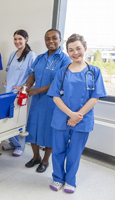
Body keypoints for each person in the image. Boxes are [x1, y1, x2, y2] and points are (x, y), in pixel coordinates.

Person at [47, 34, 107, 193]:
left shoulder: (94, 72)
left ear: (85, 48)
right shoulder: (62, 72)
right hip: (61, 117)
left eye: (78, 48)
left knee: (74, 152)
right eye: (71, 50)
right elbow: (55, 97)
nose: (75, 53)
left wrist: (77, 116)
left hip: (82, 119)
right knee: (58, 150)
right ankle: (57, 178)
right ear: (67, 52)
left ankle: (70, 181)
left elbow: (95, 97)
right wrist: (70, 114)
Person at [24, 29, 71, 173]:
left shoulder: (65, 60)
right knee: (32, 129)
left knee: (48, 131)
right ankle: (36, 157)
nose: (51, 41)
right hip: (37, 101)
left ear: (60, 39)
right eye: (47, 39)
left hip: (52, 102)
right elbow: (32, 75)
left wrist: (37, 90)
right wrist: (26, 87)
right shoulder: (39, 58)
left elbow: (59, 82)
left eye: (54, 38)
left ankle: (45, 161)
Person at [1, 29, 36, 157]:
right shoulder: (12, 54)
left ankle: (20, 146)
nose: (17, 41)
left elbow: (33, 75)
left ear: (26, 39)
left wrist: (23, 86)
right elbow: (10, 71)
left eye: (20, 39)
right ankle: (12, 142)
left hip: (20, 94)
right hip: (8, 92)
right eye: (15, 39)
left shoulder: (31, 55)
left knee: (19, 120)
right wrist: (6, 79)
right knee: (9, 119)